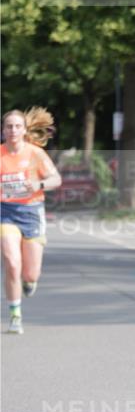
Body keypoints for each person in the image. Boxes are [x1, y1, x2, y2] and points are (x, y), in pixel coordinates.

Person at [1, 108, 61, 334]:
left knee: (29, 274)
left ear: (24, 130)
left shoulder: (35, 154)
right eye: (8, 126)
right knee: (11, 261)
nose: (13, 130)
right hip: (5, 212)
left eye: (17, 126)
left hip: (32, 212)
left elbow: (56, 179)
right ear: (3, 130)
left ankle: (29, 282)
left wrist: (39, 185)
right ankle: (15, 314)